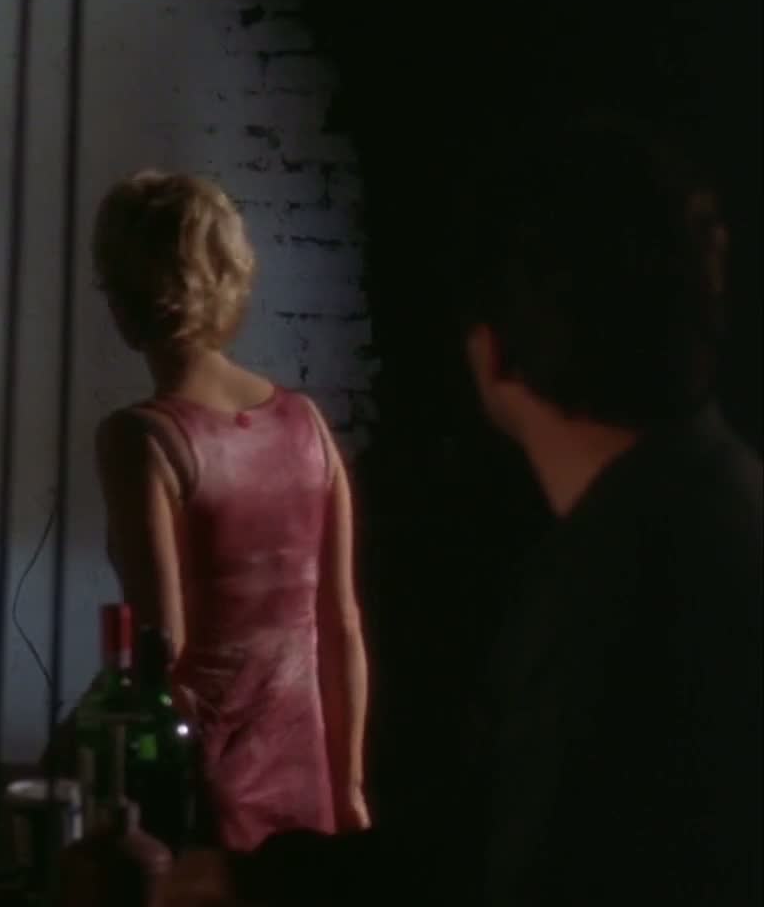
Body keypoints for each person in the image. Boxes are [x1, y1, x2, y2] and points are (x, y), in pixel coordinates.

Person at [154, 118, 763, 907]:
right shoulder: (703, 515)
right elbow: (480, 843)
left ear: (492, 349)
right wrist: (255, 880)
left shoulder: (612, 589)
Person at [86, 170, 372, 851]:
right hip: (308, 787)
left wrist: (74, 739)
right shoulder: (306, 424)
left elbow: (163, 652)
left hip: (207, 792)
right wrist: (349, 790)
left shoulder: (142, 439)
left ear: (125, 294)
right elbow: (340, 628)